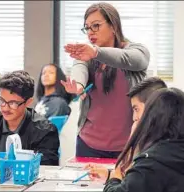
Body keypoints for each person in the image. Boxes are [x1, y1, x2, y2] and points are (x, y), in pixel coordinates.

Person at [62, 2, 150, 158]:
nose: (90, 32)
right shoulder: (86, 55)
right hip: (88, 144)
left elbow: (126, 58)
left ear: (113, 26)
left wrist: (96, 52)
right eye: (87, 28)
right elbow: (79, 68)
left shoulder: (136, 51)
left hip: (128, 146)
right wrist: (78, 86)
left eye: (96, 26)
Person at [102, 88, 184, 192]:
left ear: (151, 118)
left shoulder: (151, 163)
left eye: (137, 110)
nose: (135, 118)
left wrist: (114, 179)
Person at [85, 76, 167, 181]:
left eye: (136, 109)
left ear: (153, 106)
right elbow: (129, 175)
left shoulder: (163, 143)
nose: (134, 117)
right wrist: (109, 175)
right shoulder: (145, 132)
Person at [0, 70, 60, 165]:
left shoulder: (45, 131)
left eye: (13, 103)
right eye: (2, 101)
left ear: (28, 102)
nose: (5, 108)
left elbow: (46, 168)